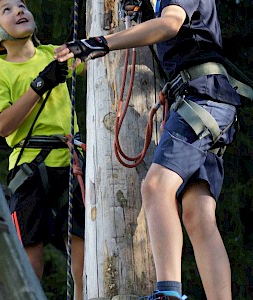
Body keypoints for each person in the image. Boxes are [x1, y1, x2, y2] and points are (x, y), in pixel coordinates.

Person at [54, 1, 241, 299]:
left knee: (155, 187)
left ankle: (167, 293)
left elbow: (170, 24)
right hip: (208, 100)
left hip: (201, 98)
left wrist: (100, 43)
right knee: (197, 215)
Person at [0, 0, 85, 299]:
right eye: (7, 11)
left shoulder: (54, 54)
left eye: (21, 5)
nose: (19, 11)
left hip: (69, 162)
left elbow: (96, 56)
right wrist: (39, 84)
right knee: (30, 258)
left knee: (83, 251)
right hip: (30, 167)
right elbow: (2, 125)